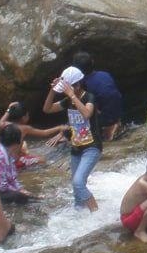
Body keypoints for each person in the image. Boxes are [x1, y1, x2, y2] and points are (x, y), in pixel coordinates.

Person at [41, 65, 102, 211]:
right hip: (76, 148)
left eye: (68, 88)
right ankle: (79, 212)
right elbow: (47, 109)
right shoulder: (67, 101)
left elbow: (87, 113)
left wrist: (72, 96)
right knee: (77, 188)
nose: (65, 91)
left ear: (78, 85)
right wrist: (52, 90)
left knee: (78, 182)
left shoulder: (89, 97)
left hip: (92, 147)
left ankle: (96, 213)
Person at [72, 52, 122, 142]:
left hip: (104, 118)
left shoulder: (83, 85)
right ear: (92, 62)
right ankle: (115, 123)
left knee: (81, 105)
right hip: (118, 111)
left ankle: (108, 128)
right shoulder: (105, 74)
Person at [0, 124, 35, 203]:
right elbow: (1, 186)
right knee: (21, 197)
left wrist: (21, 189)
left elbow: (12, 178)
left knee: (26, 196)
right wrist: (20, 192)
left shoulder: (7, 153)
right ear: (17, 142)